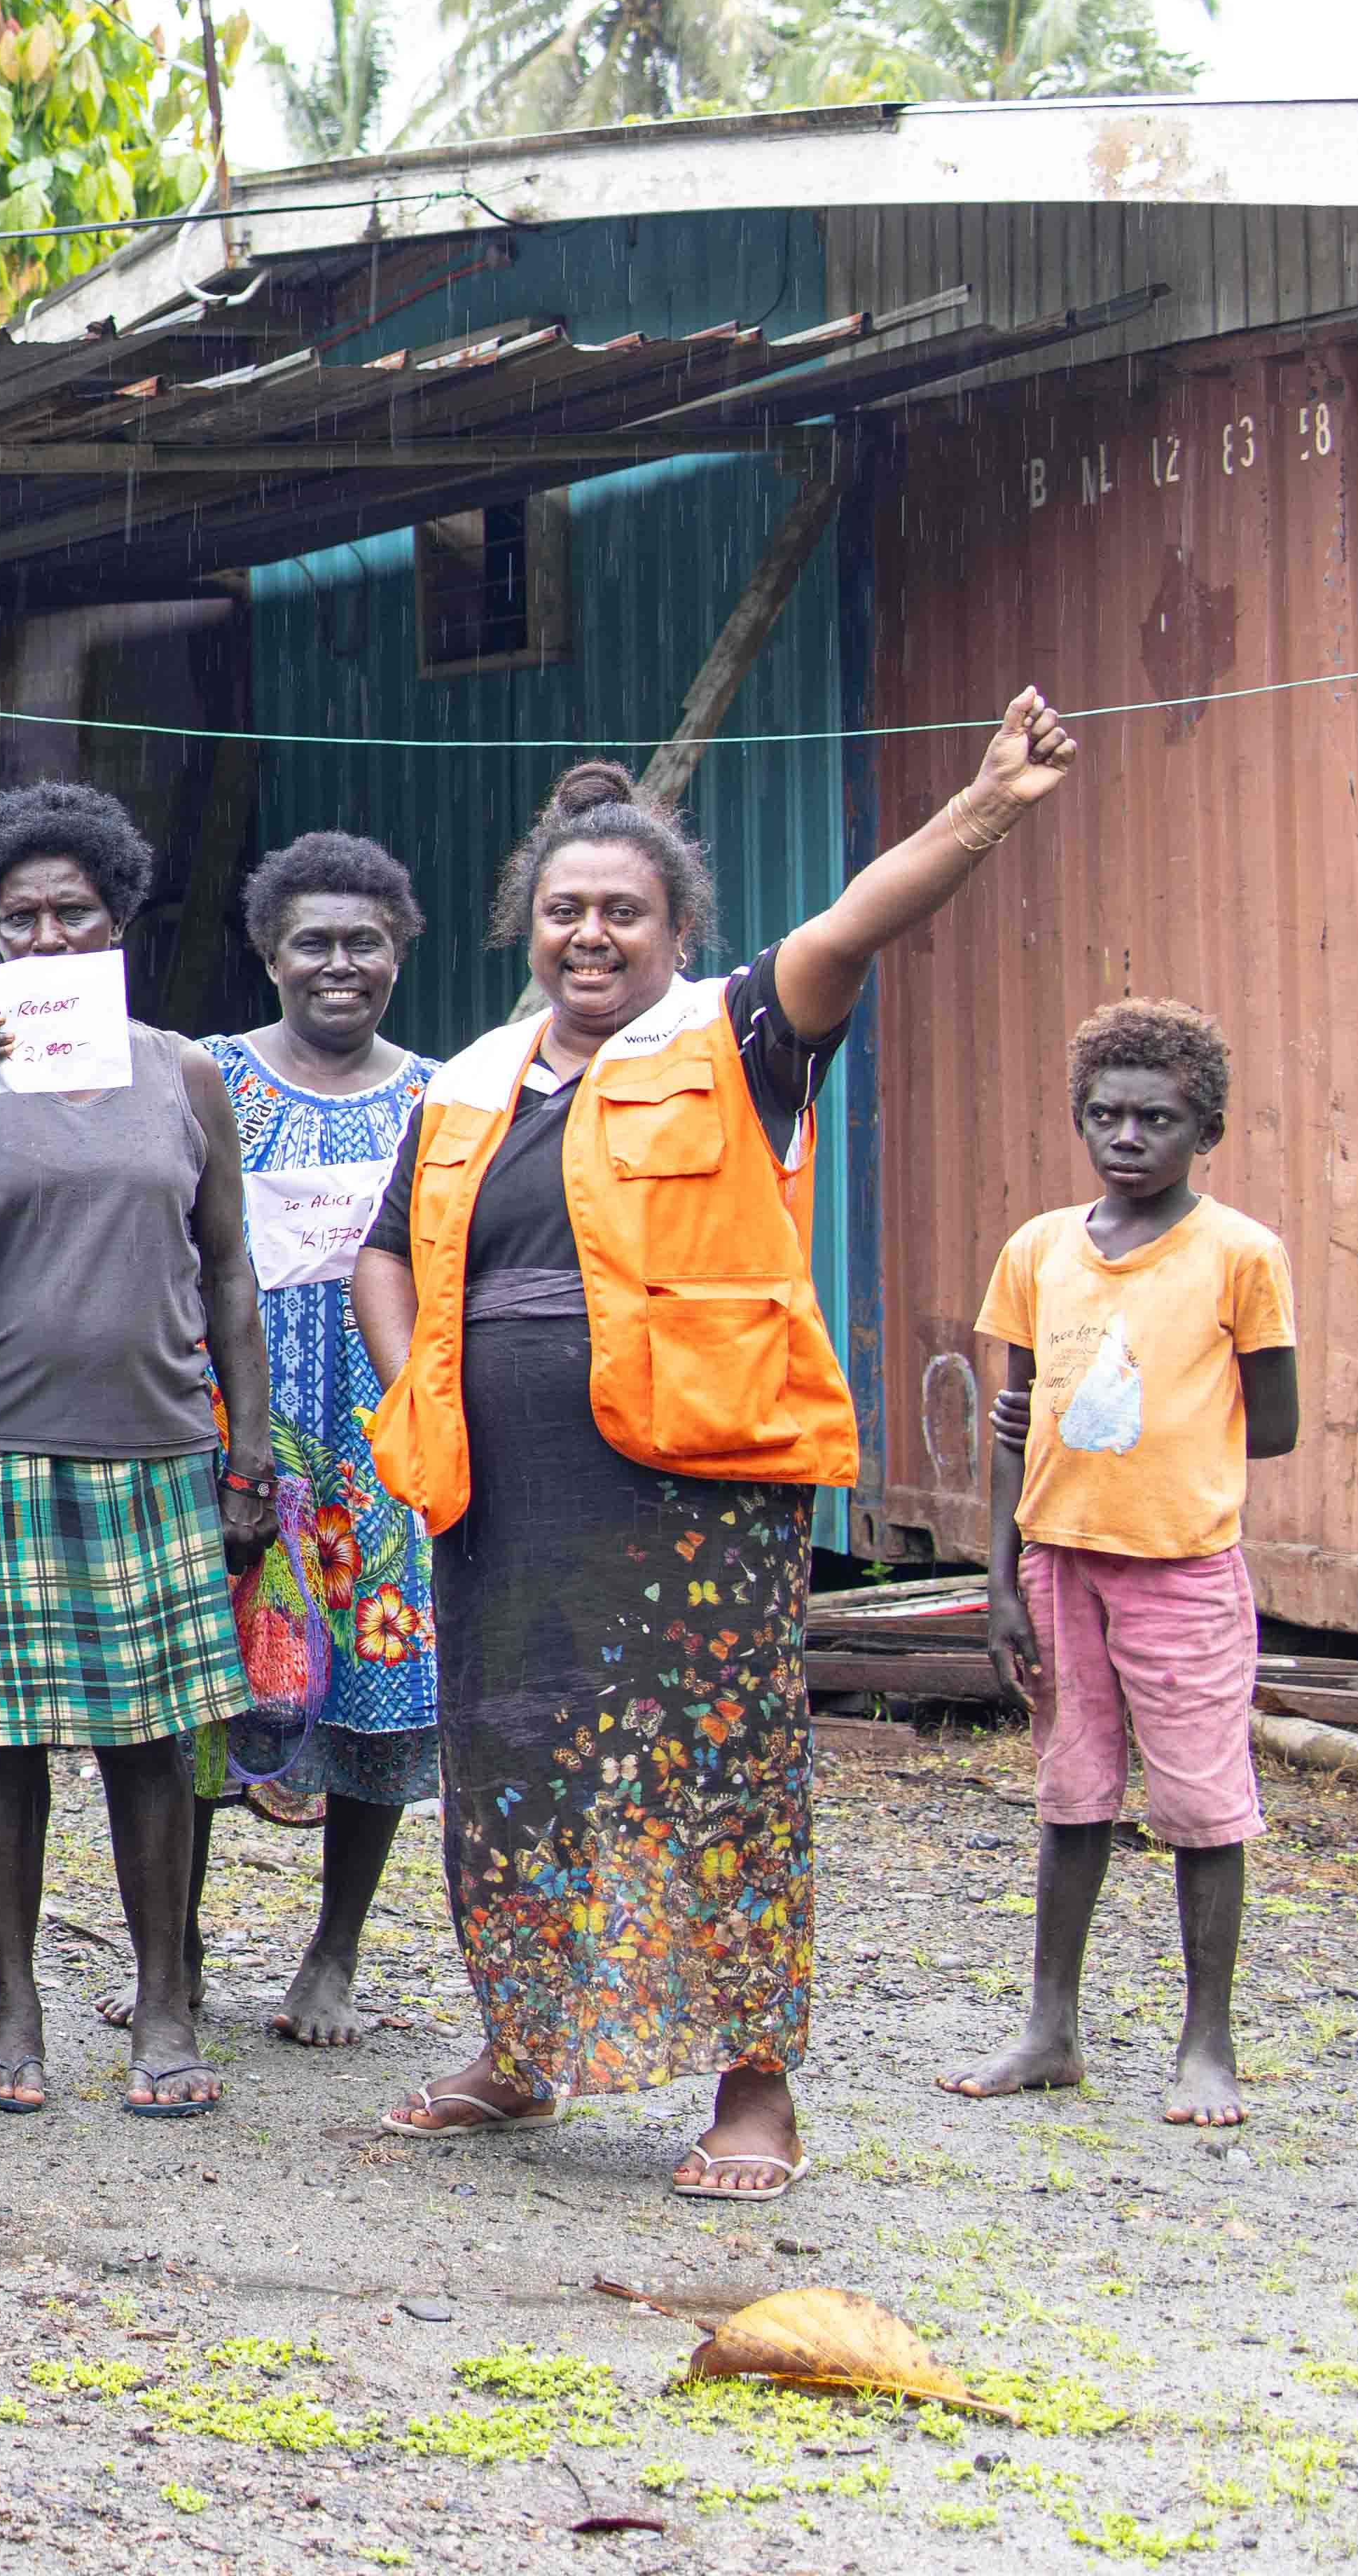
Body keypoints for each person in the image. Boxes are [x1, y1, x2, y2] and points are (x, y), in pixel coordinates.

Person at [358, 704, 1079, 2200]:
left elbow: (853, 922)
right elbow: (383, 1258)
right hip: (500, 1496)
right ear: (527, 929)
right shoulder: (468, 1080)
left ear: (679, 925)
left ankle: (753, 2087)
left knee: (715, 1775)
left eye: (624, 912)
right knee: (513, 1761)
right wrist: (415, 1385)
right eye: (564, 913)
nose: (591, 936)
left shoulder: (736, 1038)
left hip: (691, 1497)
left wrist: (987, 806)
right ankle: (522, 2046)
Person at [0, 781, 274, 2123]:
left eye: (71, 914)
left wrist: (251, 1453)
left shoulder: (182, 1072)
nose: (46, 938)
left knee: (151, 1738)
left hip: (154, 1442)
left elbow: (226, 1270)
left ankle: (166, 2000)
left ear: (114, 924)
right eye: (18, 918)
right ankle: (11, 2000)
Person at [941, 999, 1294, 2131]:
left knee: (1200, 1803)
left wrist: (1154, 1415)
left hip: (1181, 1566)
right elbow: (1011, 1421)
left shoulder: (1240, 1254)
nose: (1126, 1136)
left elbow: (1273, 1420)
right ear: (1079, 1119)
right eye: (1104, 1114)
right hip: (1057, 1568)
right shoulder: (1038, 1249)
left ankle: (1207, 2043)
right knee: (1071, 1796)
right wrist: (999, 1580)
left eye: (1156, 1117)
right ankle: (1048, 2028)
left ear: (1206, 1128)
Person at [204, 830, 443, 2043]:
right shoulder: (209, 1077)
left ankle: (332, 1955)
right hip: (235, 1428)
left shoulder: (442, 1093)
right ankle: (173, 1948)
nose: (338, 963)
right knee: (195, 1687)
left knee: (376, 1685)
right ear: (268, 951)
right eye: (312, 941)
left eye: (364, 941)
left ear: (399, 947)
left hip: (378, 1436)